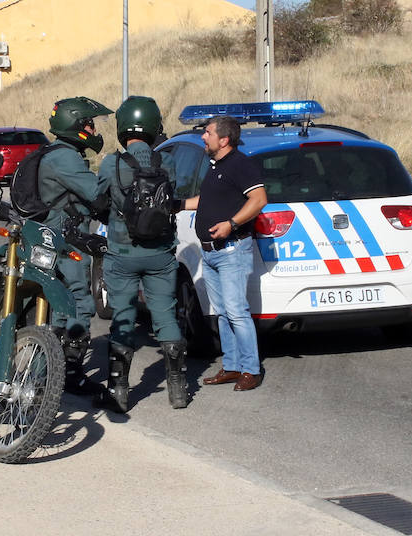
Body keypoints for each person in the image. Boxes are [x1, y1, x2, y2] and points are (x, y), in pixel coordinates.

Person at [93, 96, 188, 412]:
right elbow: (173, 195)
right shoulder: (167, 162)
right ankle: (178, 389)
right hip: (160, 252)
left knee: (123, 317)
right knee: (165, 315)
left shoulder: (111, 163)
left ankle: (120, 391)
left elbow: (98, 199)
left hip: (122, 252)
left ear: (122, 127)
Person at [181, 116, 267, 391]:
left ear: (224, 139)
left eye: (207, 133)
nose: (203, 137)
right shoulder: (216, 165)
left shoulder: (240, 164)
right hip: (211, 254)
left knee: (236, 312)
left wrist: (232, 224)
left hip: (232, 251)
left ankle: (251, 370)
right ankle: (231, 366)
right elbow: (206, 201)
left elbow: (260, 199)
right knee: (222, 313)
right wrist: (176, 204)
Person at [38, 96, 112, 394]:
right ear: (77, 124)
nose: (94, 130)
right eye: (90, 124)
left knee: (60, 303)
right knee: (79, 301)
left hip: (58, 236)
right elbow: (96, 193)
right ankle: (70, 371)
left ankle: (50, 368)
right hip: (66, 241)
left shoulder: (58, 152)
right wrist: (113, 172)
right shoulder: (65, 157)